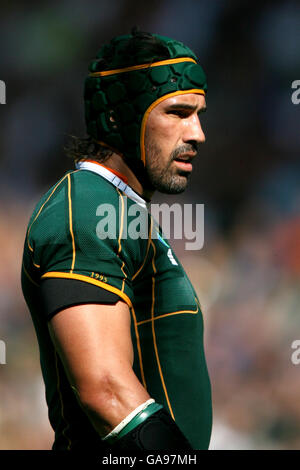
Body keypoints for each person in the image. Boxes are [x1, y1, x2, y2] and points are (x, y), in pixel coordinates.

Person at [21, 29, 212, 451]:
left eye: (198, 114)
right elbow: (105, 388)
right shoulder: (86, 208)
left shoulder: (124, 211)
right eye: (178, 112)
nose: (197, 133)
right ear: (117, 119)